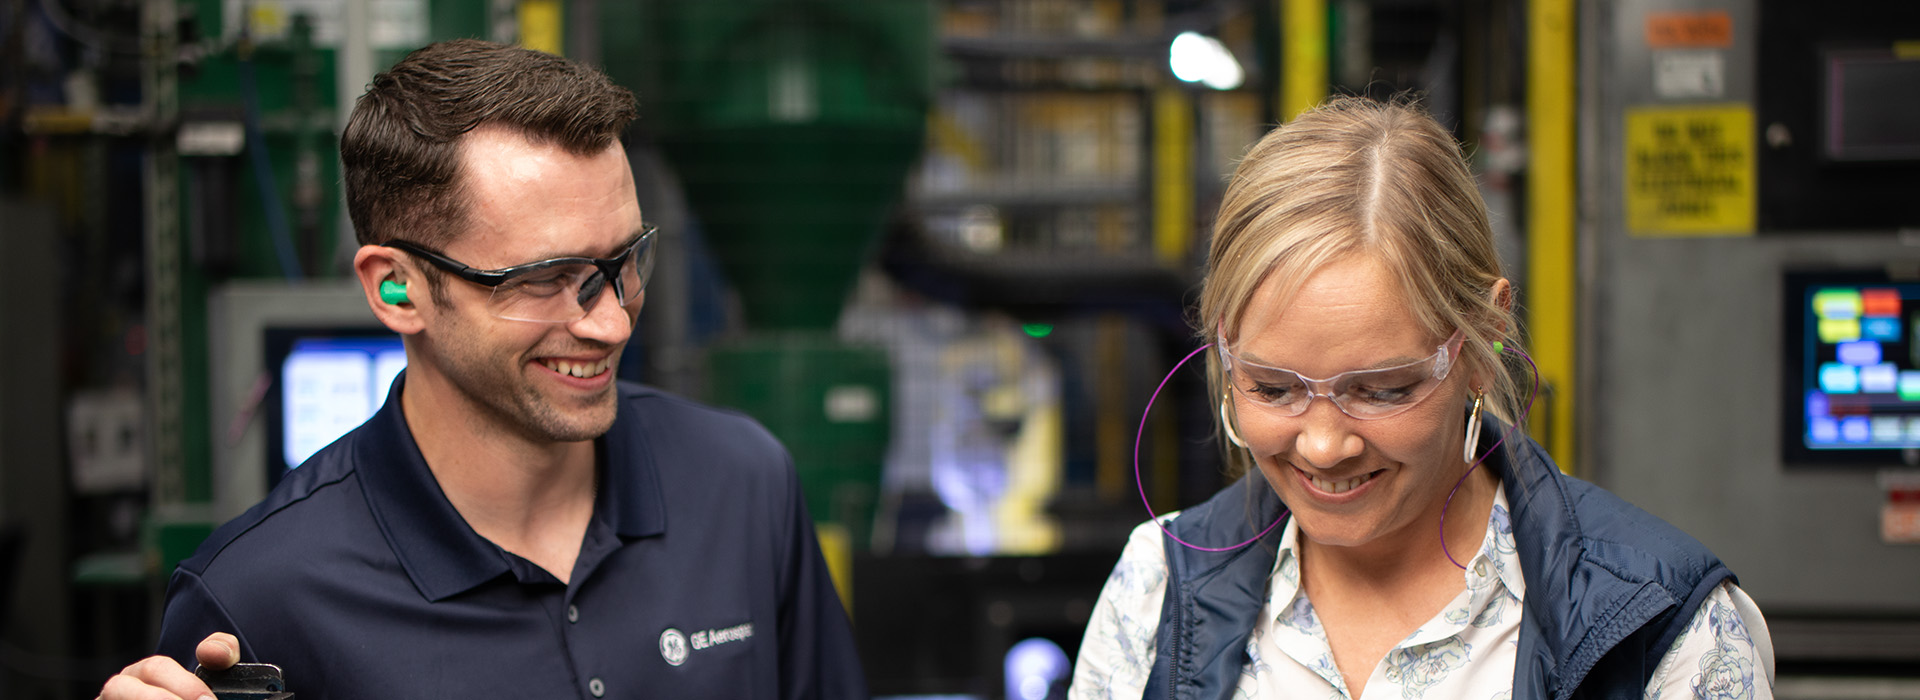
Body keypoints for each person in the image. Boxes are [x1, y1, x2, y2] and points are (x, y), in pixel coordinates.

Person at [98, 40, 865, 700]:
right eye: (541, 279)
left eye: (625, 260)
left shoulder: (742, 486)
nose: (611, 319)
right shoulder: (261, 600)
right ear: (397, 288)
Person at [1068, 96, 1773, 700]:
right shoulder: (1157, 591)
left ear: (1481, 338)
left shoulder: (1661, 626)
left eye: (1380, 390)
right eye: (1272, 387)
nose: (1322, 444)